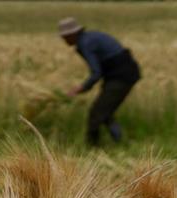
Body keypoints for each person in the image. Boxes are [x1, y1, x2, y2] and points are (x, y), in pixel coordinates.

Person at [58, 17, 141, 147]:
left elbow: (96, 72)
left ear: (72, 34)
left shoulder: (85, 44)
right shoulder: (90, 37)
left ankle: (92, 147)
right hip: (122, 74)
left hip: (120, 76)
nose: (64, 40)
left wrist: (81, 88)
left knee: (96, 113)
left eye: (65, 36)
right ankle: (120, 143)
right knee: (105, 112)